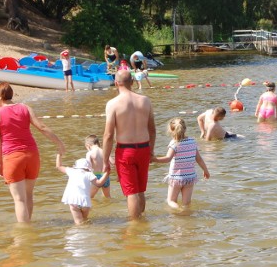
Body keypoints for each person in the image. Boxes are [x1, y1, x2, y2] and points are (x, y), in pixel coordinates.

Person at [0, 82, 66, 223]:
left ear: (0, 96)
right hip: (32, 155)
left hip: (12, 157)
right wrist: (59, 143)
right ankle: (29, 227)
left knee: (19, 200)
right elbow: (42, 127)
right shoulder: (25, 108)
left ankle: (23, 238)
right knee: (28, 195)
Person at [102, 70, 156, 220]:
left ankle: (135, 228)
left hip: (126, 151)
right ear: (132, 82)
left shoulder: (112, 104)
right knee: (140, 190)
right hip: (144, 148)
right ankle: (143, 221)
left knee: (131, 192)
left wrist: (105, 159)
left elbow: (108, 135)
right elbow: (152, 129)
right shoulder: (145, 100)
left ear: (116, 83)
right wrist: (151, 151)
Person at [152, 118, 210, 210]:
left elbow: (167, 159)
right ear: (185, 129)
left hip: (176, 178)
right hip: (189, 178)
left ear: (171, 130)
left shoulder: (174, 144)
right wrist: (205, 170)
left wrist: (154, 159)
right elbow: (199, 159)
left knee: (171, 201)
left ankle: (178, 209)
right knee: (186, 203)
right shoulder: (192, 141)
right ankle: (185, 216)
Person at [56, 155, 110, 225]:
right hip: (85, 202)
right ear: (88, 168)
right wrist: (107, 173)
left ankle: (79, 234)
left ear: (76, 166)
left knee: (79, 223)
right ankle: (86, 234)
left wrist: (59, 154)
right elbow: (99, 183)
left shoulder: (71, 171)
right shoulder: (89, 174)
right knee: (84, 221)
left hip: (74, 201)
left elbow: (59, 166)